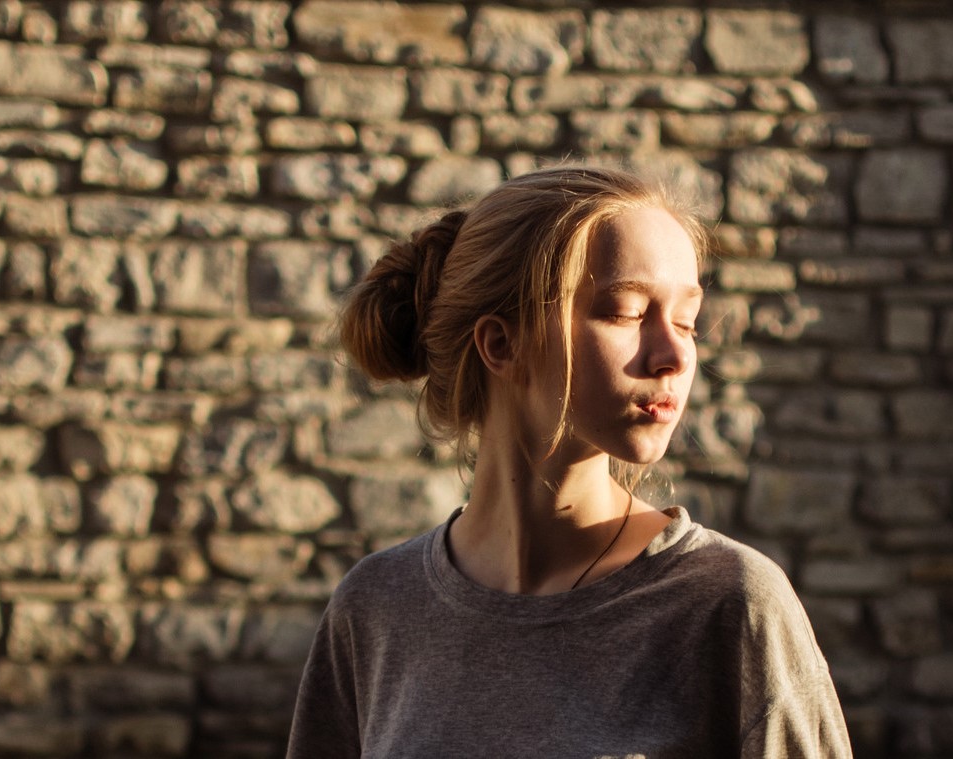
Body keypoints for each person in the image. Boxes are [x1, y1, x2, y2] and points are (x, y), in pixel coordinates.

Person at [286, 165, 852, 758]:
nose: (673, 355)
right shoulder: (375, 610)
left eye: (685, 320)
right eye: (627, 313)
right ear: (502, 344)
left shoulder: (730, 605)